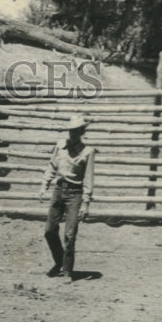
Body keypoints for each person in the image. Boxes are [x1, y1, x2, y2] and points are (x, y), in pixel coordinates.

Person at [39, 114, 95, 283]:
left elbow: (88, 178)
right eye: (70, 131)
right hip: (58, 190)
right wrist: (44, 185)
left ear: (81, 132)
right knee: (49, 230)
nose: (72, 134)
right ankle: (59, 261)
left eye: (76, 131)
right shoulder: (60, 145)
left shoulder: (88, 152)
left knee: (70, 235)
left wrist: (86, 203)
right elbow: (52, 165)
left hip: (75, 194)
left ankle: (67, 271)